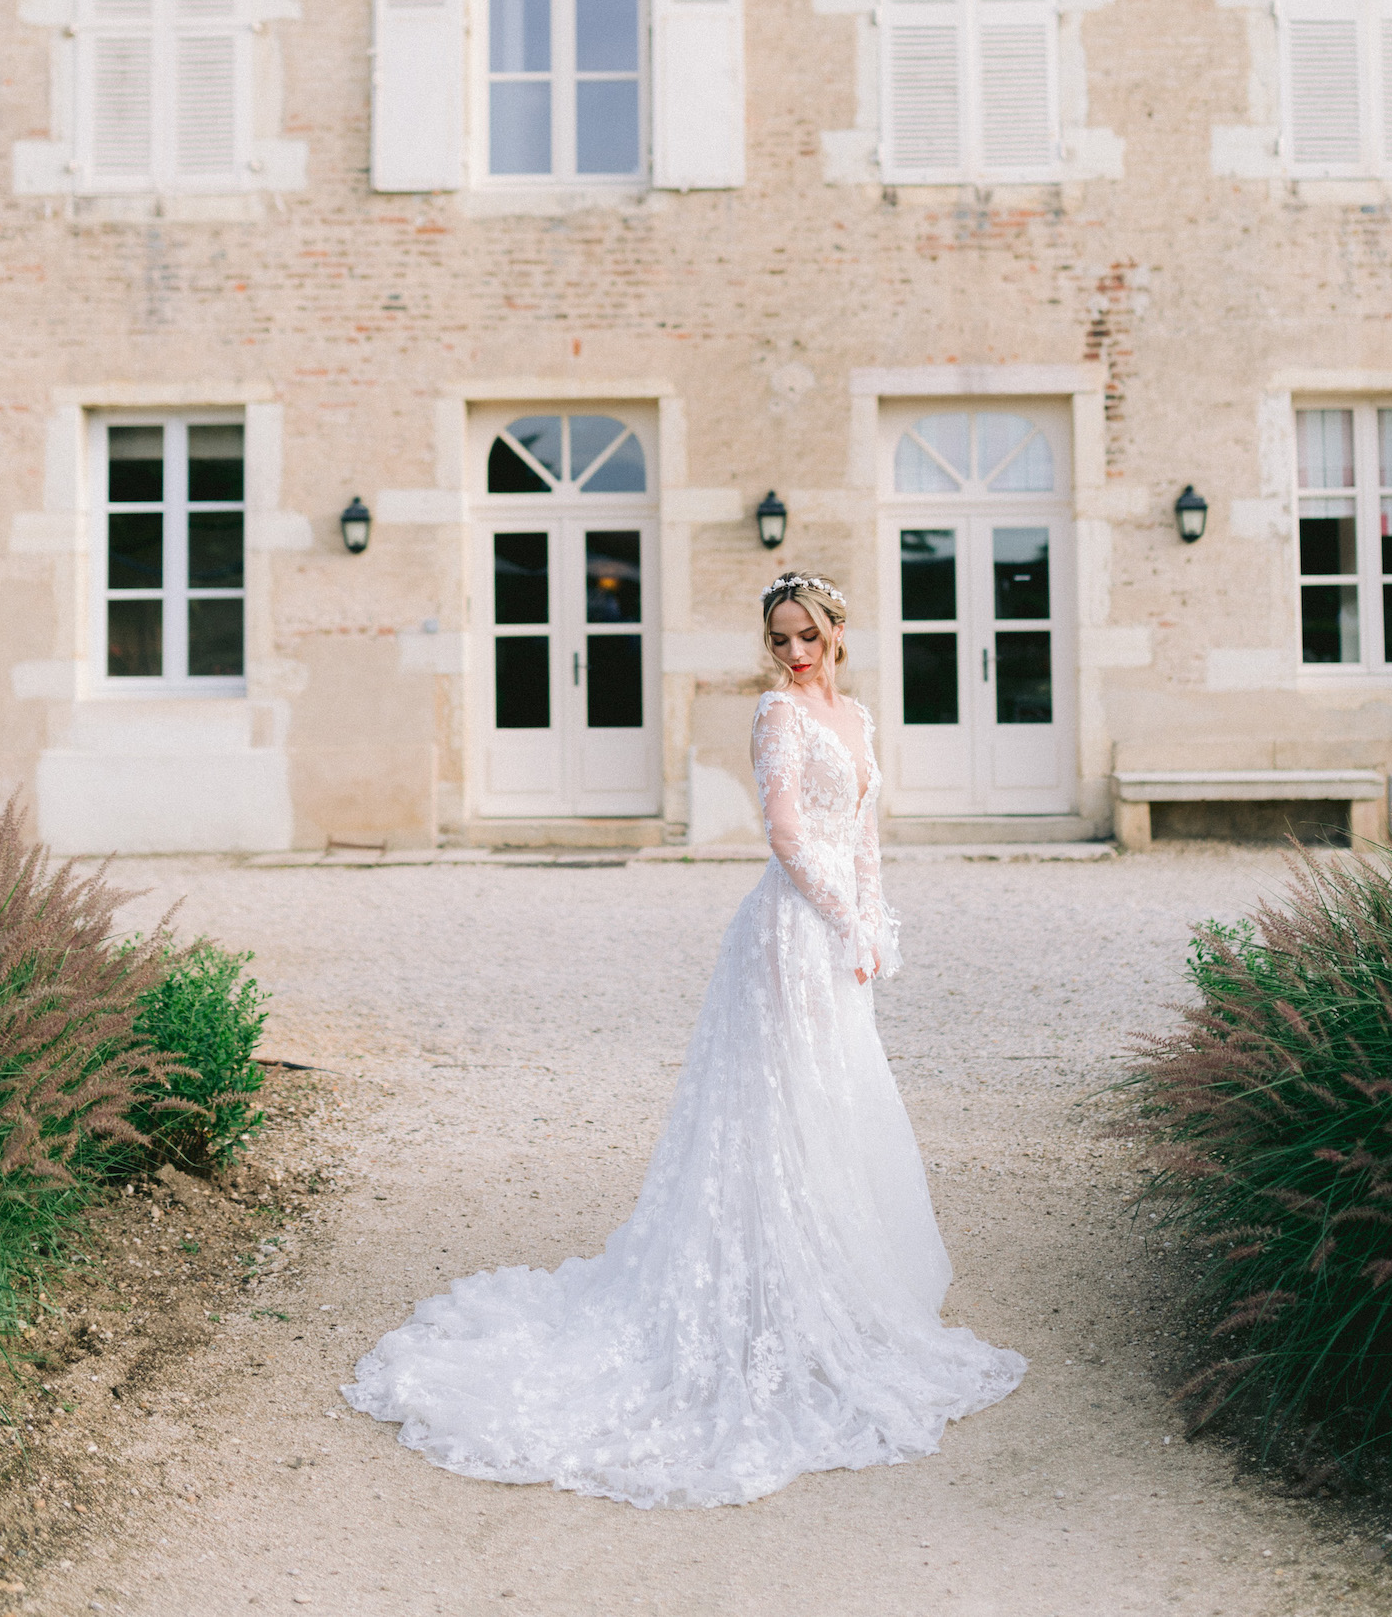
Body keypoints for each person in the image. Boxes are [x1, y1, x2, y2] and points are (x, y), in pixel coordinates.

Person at [345, 570, 1026, 1507]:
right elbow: (785, 834)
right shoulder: (776, 717)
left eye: (807, 636)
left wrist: (876, 923)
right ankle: (759, 1296)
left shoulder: (859, 717)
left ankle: (831, 1288)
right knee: (776, 1108)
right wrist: (838, 917)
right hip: (789, 933)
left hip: (840, 945)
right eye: (779, 638)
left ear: (836, 630)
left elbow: (865, 835)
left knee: (835, 1102)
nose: (793, 653)